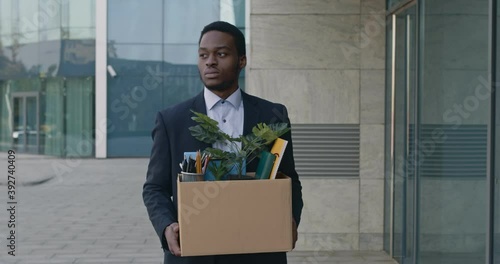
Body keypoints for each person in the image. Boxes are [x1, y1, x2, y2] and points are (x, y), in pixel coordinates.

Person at [143, 21, 303, 264]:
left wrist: (290, 219)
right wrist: (167, 225)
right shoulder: (171, 120)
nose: (210, 61)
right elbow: (155, 188)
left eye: (221, 54)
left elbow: (289, 177)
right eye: (203, 55)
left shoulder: (273, 116)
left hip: (259, 249)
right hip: (194, 251)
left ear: (242, 61)